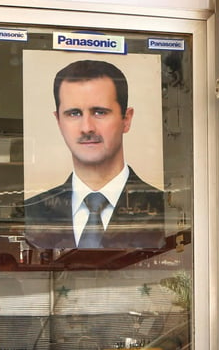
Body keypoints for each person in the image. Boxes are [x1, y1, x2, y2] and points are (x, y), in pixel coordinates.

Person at [24, 59, 166, 251]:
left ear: (126, 119)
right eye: (74, 113)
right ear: (58, 121)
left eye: (99, 112)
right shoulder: (30, 213)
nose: (87, 128)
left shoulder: (164, 208)